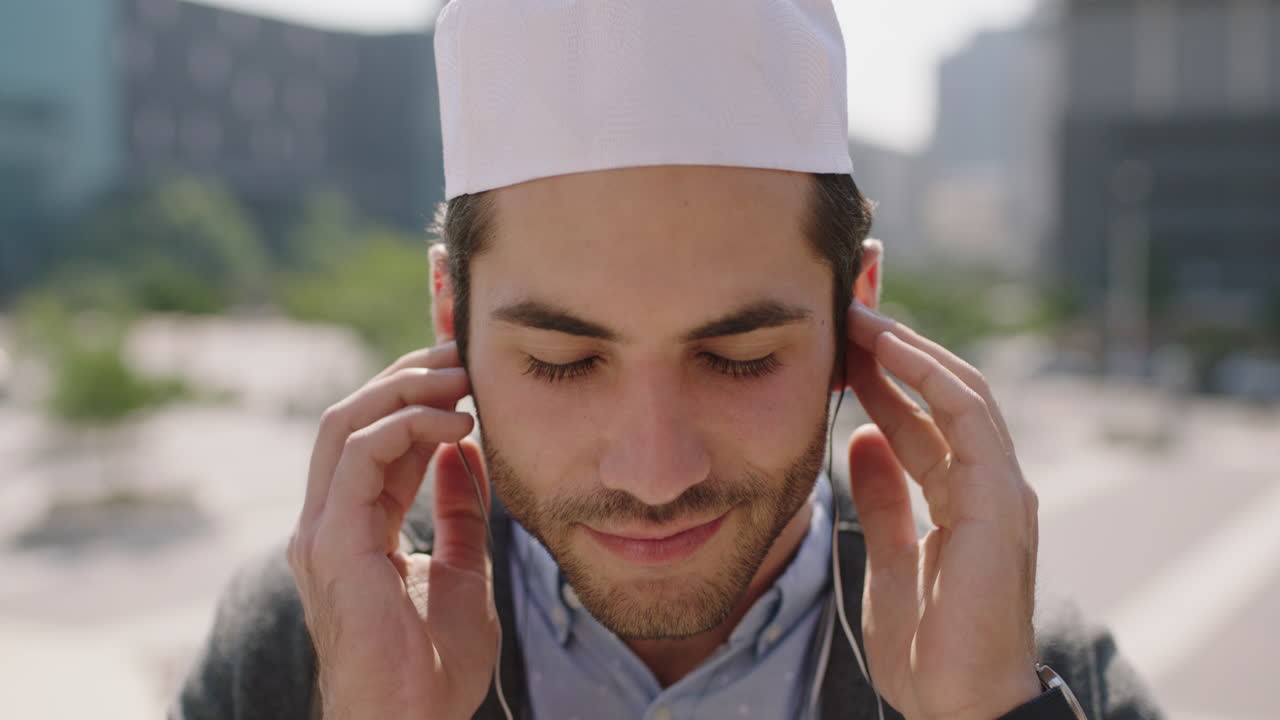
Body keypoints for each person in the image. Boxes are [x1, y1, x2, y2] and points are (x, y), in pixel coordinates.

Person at [171, 1, 1163, 718]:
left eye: (737, 358)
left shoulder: (1025, 667)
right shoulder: (302, 648)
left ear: (851, 315)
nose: (653, 472)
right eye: (561, 361)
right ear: (450, 316)